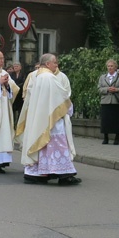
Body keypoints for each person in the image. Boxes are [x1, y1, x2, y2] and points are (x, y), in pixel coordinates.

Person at [16, 53, 81, 185]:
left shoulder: (37, 76)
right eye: (55, 63)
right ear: (47, 64)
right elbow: (61, 97)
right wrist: (68, 108)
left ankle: (37, 174)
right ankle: (64, 175)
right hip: (52, 120)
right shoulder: (50, 77)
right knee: (59, 145)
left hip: (40, 118)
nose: (57, 65)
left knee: (43, 146)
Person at [98, 59, 119, 145]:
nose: (110, 68)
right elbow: (99, 89)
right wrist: (107, 89)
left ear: (115, 67)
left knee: (116, 121)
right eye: (108, 66)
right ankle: (106, 138)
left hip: (116, 102)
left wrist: (117, 90)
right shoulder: (102, 77)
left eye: (112, 66)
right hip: (105, 102)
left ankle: (117, 138)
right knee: (105, 120)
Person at [10, 62, 26, 128]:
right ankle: (12, 123)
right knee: (12, 109)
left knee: (20, 110)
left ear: (20, 67)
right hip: (14, 94)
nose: (15, 68)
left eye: (17, 66)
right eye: (14, 66)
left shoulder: (23, 74)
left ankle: (18, 124)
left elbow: (24, 82)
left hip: (20, 94)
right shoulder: (11, 74)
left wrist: (17, 87)